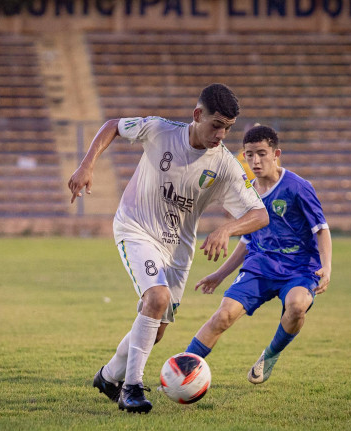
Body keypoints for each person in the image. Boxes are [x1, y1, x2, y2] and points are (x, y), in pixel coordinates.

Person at [67, 83, 269, 413]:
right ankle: (130, 388)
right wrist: (87, 164)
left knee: (157, 329)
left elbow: (260, 214)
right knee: (157, 298)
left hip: (177, 249)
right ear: (197, 115)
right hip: (135, 227)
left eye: (227, 129)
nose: (220, 135)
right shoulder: (160, 131)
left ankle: (107, 377)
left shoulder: (224, 166)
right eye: (215, 125)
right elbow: (113, 126)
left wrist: (227, 228)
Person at [185, 125, 332, 385]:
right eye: (250, 154)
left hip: (299, 269)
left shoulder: (298, 187)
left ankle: (270, 355)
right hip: (259, 267)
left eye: (262, 154)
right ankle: (181, 370)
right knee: (223, 315)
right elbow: (246, 241)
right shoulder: (247, 192)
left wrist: (327, 268)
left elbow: (321, 230)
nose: (255, 160)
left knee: (297, 306)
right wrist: (219, 275)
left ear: (276, 153)